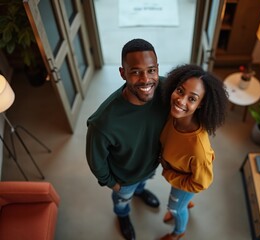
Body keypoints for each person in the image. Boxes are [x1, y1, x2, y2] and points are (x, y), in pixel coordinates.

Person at [86, 38, 168, 240]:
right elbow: (95, 161)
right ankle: (122, 215)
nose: (146, 79)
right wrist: (112, 184)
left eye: (151, 70)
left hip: (149, 167)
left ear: (157, 68)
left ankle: (140, 191)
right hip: (124, 179)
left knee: (143, 182)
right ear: (123, 73)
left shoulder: (166, 89)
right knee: (122, 200)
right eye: (136, 71)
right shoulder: (103, 122)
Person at [159, 64, 228, 240]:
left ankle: (178, 232)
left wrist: (169, 174)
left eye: (192, 98)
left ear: (200, 104)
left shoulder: (198, 150)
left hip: (184, 179)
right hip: (178, 171)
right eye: (180, 91)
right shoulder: (173, 115)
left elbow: (200, 184)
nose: (181, 101)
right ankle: (185, 203)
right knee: (180, 203)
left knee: (175, 208)